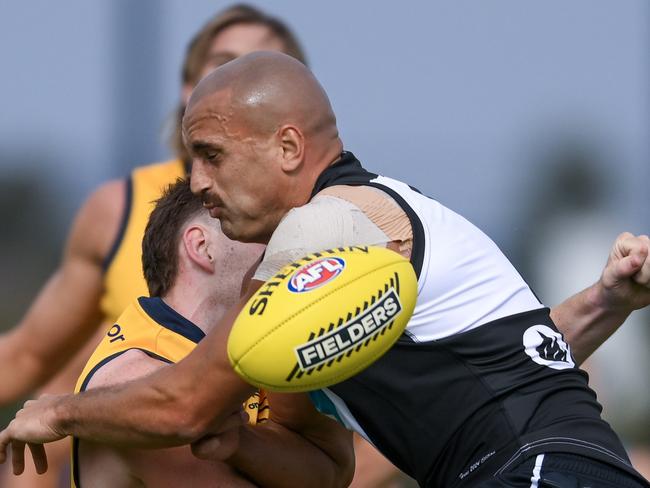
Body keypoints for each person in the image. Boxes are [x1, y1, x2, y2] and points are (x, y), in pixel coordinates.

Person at [3, 52, 649, 487]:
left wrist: (59, 412)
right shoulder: (390, 212)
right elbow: (518, 366)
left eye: (211, 155)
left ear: (288, 147)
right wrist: (604, 301)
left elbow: (186, 404)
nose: (198, 181)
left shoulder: (323, 228)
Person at [0, 5, 312, 488]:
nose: (243, 79)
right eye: (225, 63)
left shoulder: (317, 224)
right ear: (190, 90)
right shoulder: (124, 210)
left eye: (262, 65)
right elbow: (33, 361)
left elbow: (343, 443)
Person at [72, 178, 353, 487]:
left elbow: (332, 472)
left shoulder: (264, 346)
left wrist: (242, 440)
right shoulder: (134, 379)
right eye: (265, 235)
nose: (288, 252)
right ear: (202, 246)